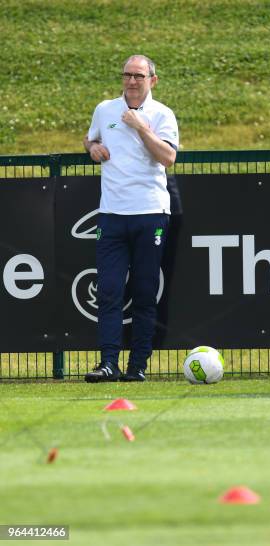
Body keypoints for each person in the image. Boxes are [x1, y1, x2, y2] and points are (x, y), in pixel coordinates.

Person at [83, 54, 179, 382]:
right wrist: (91, 147)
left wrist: (141, 128)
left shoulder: (162, 114)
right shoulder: (104, 109)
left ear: (153, 79)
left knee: (143, 291)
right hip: (111, 214)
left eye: (139, 75)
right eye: (127, 75)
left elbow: (168, 157)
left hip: (150, 213)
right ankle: (108, 362)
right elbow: (91, 137)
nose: (132, 81)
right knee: (109, 290)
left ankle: (138, 365)